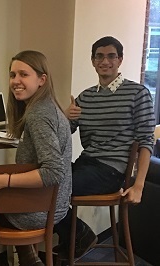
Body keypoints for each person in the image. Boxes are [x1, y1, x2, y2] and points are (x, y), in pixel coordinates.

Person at [0, 50, 72, 266]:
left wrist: (2, 181)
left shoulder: (38, 114)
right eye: (12, 75)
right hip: (56, 206)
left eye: (24, 74)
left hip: (40, 212)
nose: (16, 81)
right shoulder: (48, 107)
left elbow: (53, 171)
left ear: (42, 80)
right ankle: (28, 258)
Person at [53, 36, 156, 260]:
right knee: (41, 179)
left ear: (120, 60)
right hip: (85, 164)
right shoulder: (85, 97)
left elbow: (147, 141)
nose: (105, 61)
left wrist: (138, 186)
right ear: (93, 61)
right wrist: (65, 115)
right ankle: (76, 235)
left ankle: (78, 235)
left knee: (48, 188)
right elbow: (62, 134)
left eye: (111, 56)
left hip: (112, 171)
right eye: (99, 56)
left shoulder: (138, 94)